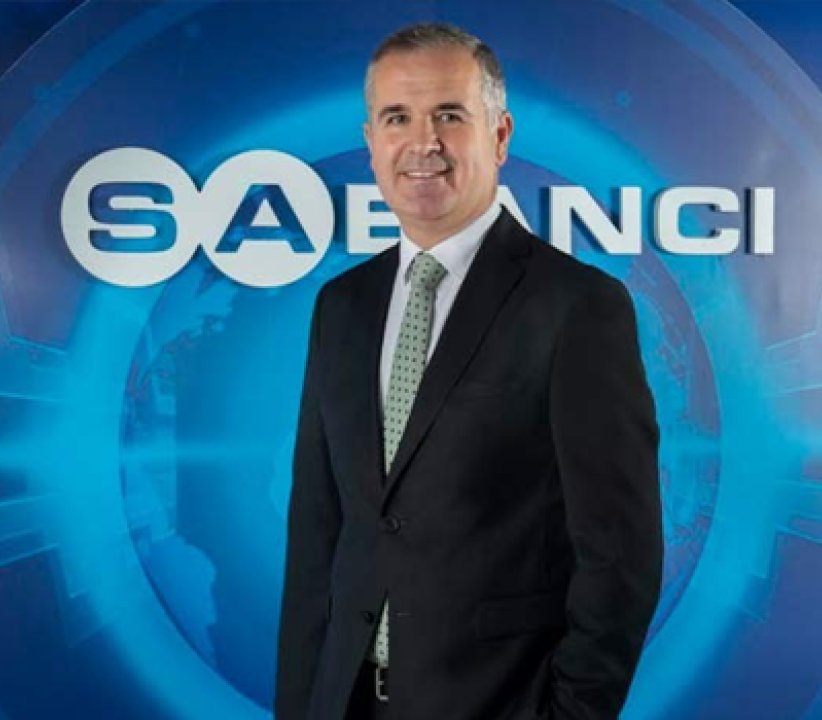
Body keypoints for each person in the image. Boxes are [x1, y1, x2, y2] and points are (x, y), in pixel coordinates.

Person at [276, 22, 662, 720]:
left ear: (500, 135)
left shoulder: (578, 307)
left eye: (449, 116)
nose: (422, 143)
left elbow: (620, 557)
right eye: (398, 118)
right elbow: (316, 538)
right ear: (371, 141)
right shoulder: (342, 306)